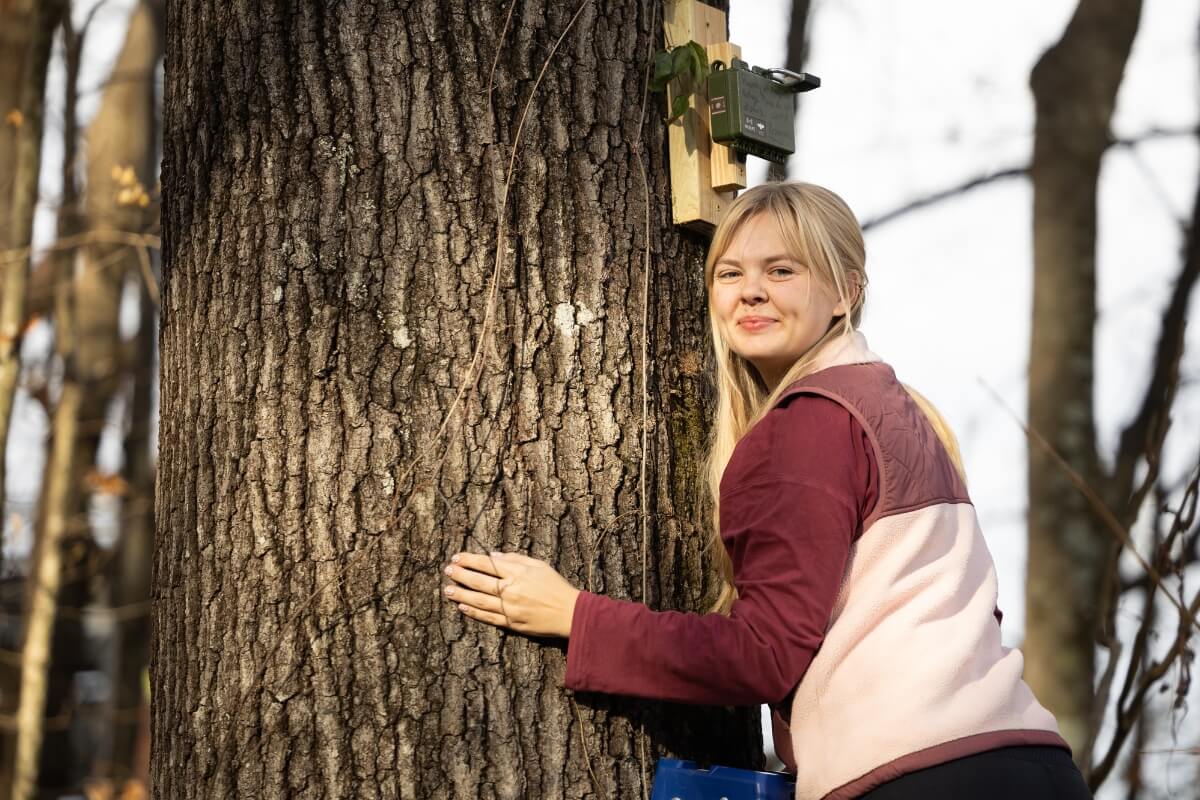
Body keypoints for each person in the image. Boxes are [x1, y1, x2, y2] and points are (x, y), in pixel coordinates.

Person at [441, 182, 1091, 799]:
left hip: (923, 778)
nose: (751, 292)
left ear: (845, 292)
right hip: (1030, 764)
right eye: (731, 273)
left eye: (782, 270)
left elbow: (765, 655)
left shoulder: (811, 424)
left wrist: (576, 618)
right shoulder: (902, 413)